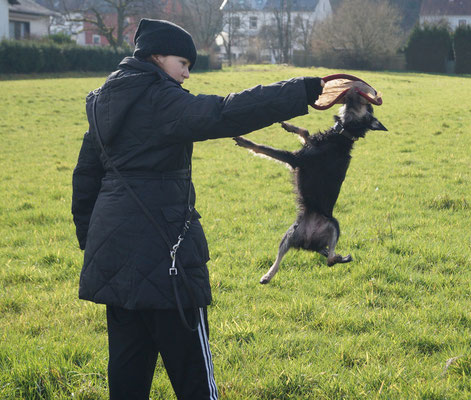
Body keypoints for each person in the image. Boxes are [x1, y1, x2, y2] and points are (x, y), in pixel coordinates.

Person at [71, 18, 323, 400]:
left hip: (113, 258)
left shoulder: (105, 99)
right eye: (182, 63)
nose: (187, 73)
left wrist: (91, 242)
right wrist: (305, 91)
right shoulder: (161, 98)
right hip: (166, 259)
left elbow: (85, 177)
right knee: (194, 378)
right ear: (156, 56)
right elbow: (226, 113)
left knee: (126, 374)